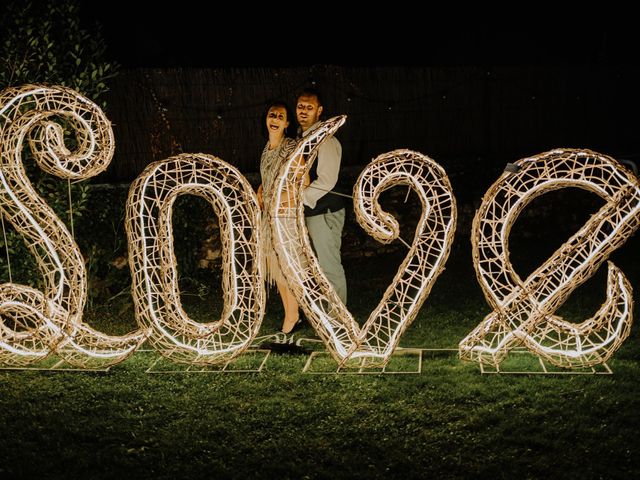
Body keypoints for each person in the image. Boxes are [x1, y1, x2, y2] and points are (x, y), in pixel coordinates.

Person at [257, 100, 305, 334]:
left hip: (285, 218)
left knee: (287, 270)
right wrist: (260, 191)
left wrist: (274, 199)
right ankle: (291, 315)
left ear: (286, 124)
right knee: (277, 272)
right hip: (268, 219)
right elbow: (268, 180)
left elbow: (302, 183)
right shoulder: (267, 149)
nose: (274, 119)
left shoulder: (290, 147)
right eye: (271, 115)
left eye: (280, 116)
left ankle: (293, 316)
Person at [296, 87, 347, 304]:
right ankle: (324, 314)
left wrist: (299, 200)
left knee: (329, 265)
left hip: (324, 212)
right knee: (314, 265)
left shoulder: (325, 140)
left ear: (320, 111)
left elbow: (327, 180)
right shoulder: (302, 138)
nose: (304, 111)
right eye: (300, 107)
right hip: (309, 211)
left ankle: (338, 319)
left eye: (309, 107)